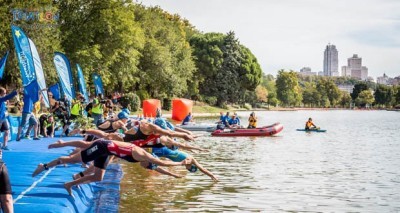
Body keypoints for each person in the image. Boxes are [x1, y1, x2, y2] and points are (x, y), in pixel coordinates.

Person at [32, 139, 191, 196]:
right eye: (148, 167)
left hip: (106, 152)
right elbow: (162, 163)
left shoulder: (145, 159)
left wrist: (173, 175)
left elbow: (158, 167)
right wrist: (180, 163)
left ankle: (69, 184)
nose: (147, 168)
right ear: (148, 161)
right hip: (101, 147)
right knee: (71, 160)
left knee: (98, 177)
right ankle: (44, 166)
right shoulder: (144, 156)